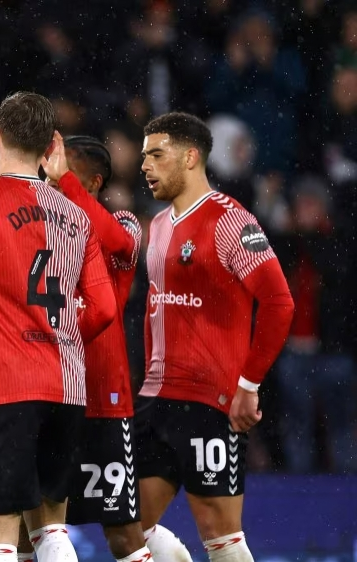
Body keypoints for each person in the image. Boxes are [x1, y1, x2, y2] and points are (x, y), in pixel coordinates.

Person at [0, 92, 116, 562]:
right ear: (51, 144)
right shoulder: (76, 215)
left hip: (7, 386)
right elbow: (105, 308)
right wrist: (60, 334)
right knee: (50, 529)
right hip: (68, 388)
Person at [136, 112, 294, 562]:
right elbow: (155, 310)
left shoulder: (229, 221)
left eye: (156, 155)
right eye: (144, 155)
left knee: (219, 534)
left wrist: (247, 386)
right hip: (157, 397)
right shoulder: (159, 225)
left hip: (211, 400)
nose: (145, 165)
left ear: (190, 158)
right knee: (127, 525)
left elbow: (280, 303)